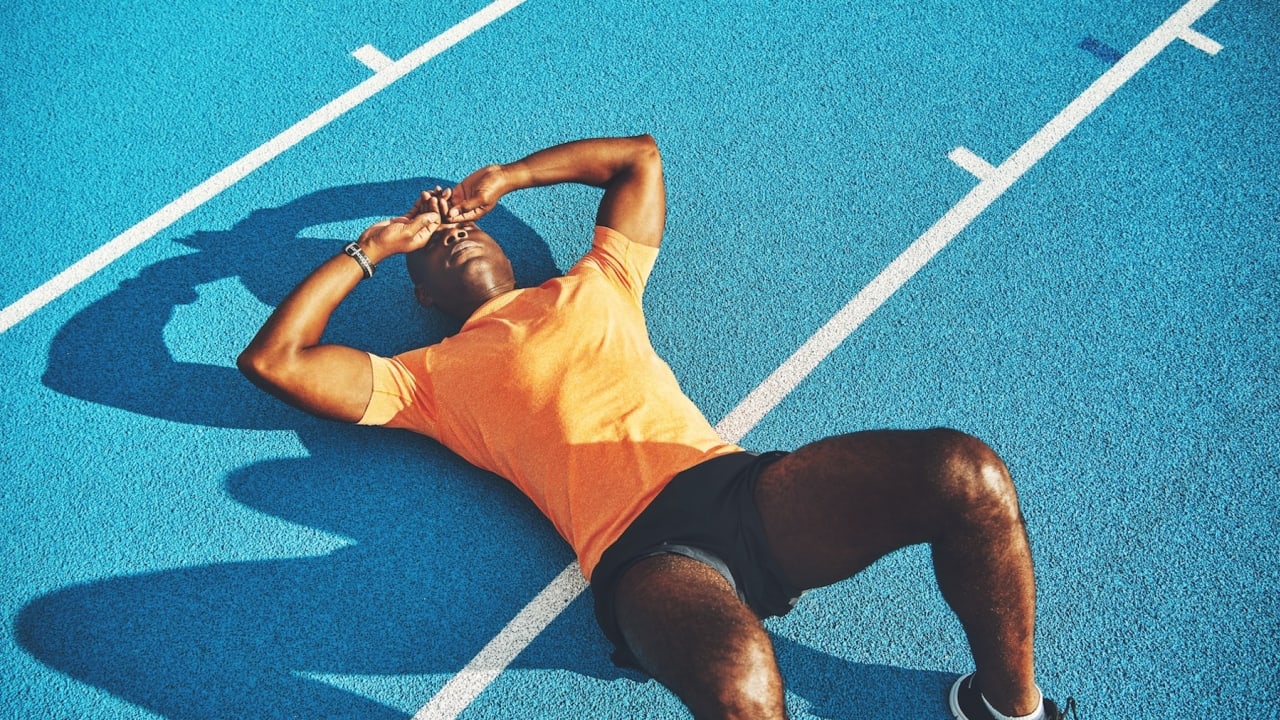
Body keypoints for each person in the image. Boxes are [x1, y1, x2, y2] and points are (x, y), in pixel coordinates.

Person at [238, 135, 1074, 720]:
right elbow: (275, 361)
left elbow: (639, 156)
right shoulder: (423, 379)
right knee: (744, 689)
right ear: (420, 295)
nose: (454, 232)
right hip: (645, 556)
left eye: (464, 224)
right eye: (439, 242)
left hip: (739, 488)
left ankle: (1008, 706)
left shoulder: (597, 282)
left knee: (968, 475)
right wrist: (376, 246)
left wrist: (508, 178)